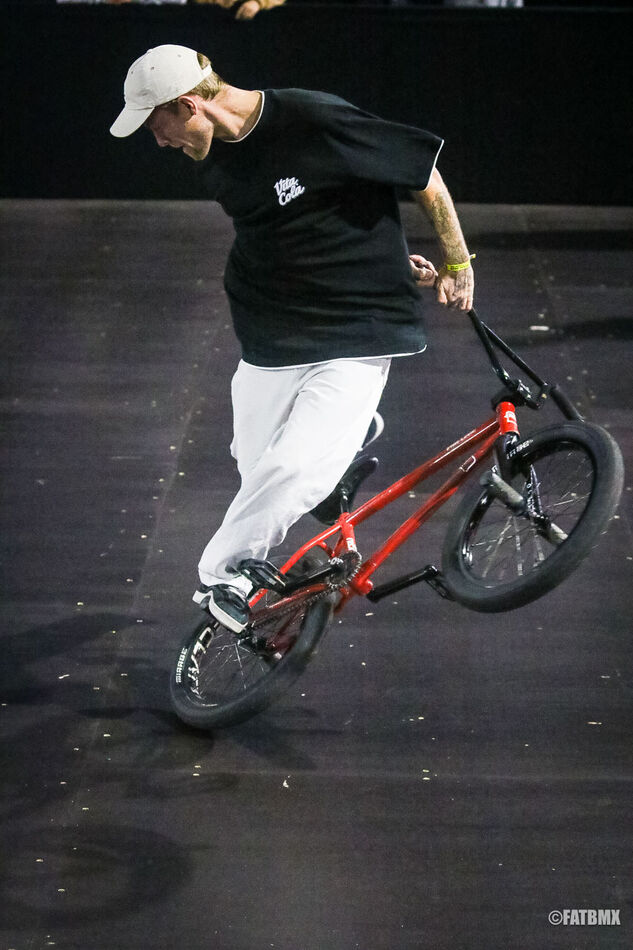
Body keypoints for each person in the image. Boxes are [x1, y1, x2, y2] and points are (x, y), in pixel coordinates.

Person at [110, 44, 474, 632]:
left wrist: (457, 261)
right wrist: (378, 254)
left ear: (187, 105)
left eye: (157, 126)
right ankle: (348, 443)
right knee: (255, 465)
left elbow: (420, 174)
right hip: (271, 324)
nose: (159, 142)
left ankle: (226, 575)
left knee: (291, 470)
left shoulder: (312, 118)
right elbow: (304, 220)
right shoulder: (212, 156)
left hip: (357, 324)